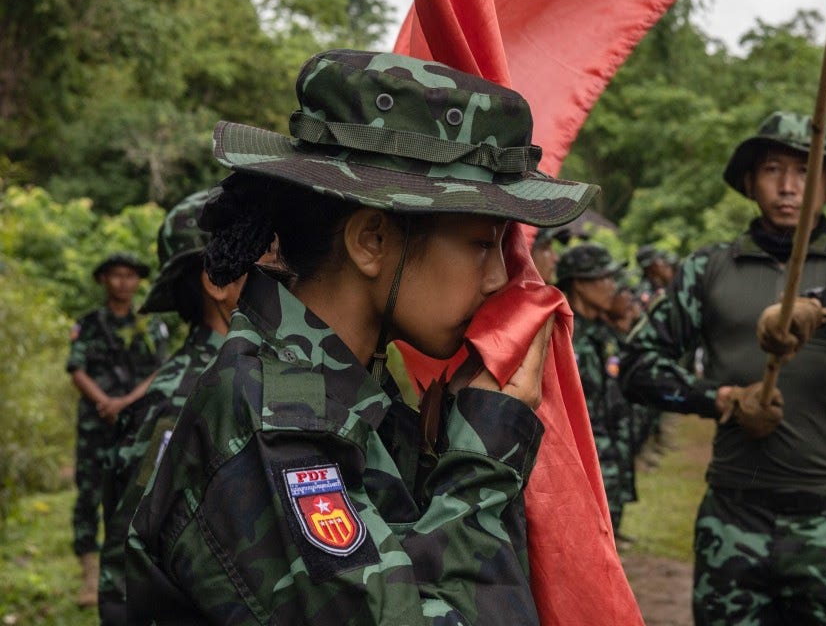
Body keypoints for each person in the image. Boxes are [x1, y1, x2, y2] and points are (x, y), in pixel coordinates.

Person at [125, 49, 597, 623]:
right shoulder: (275, 422)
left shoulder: (343, 386)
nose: (500, 277)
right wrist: (483, 460)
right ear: (371, 240)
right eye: (481, 243)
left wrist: (439, 455)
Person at [620, 111, 826, 625]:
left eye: (807, 171)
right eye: (773, 170)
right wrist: (722, 400)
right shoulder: (708, 269)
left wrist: (822, 307)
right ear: (748, 181)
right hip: (735, 517)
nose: (788, 187)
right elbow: (636, 367)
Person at [96, 190, 252, 624]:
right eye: (262, 257)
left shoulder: (237, 379)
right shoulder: (185, 398)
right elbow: (128, 556)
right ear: (218, 280)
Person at [66, 251, 168, 607]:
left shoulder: (150, 325)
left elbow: (160, 371)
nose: (123, 282)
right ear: (103, 280)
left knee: (136, 495)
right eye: (116, 275)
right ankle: (90, 575)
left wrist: (124, 404)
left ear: (138, 281)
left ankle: (130, 571)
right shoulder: (89, 324)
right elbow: (76, 369)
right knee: (89, 494)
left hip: (136, 424)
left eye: (130, 275)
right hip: (96, 426)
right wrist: (105, 403)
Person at [556, 244, 637, 539]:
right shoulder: (562, 334)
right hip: (577, 468)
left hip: (608, 461)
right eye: (605, 278)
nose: (613, 286)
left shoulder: (603, 333)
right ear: (579, 282)